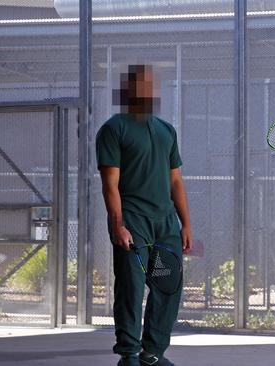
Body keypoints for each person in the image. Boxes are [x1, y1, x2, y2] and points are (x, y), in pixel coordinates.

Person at [96, 64, 193, 366]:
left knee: (167, 286)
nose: (149, 90)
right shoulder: (114, 128)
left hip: (165, 225)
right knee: (131, 287)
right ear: (128, 90)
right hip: (134, 223)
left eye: (152, 85)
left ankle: (152, 353)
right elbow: (110, 184)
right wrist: (118, 225)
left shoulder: (166, 130)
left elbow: (175, 180)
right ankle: (128, 355)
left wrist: (186, 223)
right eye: (142, 84)